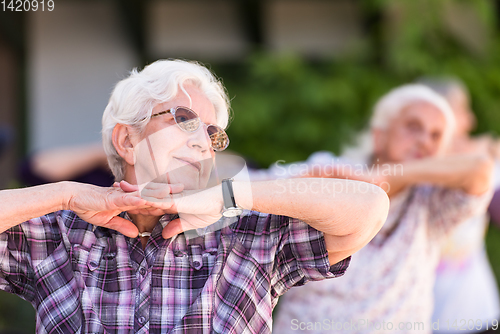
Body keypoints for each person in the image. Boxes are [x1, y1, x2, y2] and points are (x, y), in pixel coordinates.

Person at [0, 59, 389, 333]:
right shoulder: (59, 233)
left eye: (213, 133)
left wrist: (229, 196)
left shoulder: (248, 233)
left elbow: (370, 207)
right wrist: (66, 195)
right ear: (127, 141)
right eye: (184, 119)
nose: (204, 142)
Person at [273, 84, 494, 334]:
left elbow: (481, 169)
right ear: (380, 136)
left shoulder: (432, 204)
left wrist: (388, 176)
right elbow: (256, 189)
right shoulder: (330, 171)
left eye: (435, 136)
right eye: (413, 127)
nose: (424, 140)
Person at [419, 78, 500, 333]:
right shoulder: (405, 166)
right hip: (416, 318)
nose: (471, 121)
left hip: (476, 313)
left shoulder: (484, 161)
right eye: (464, 111)